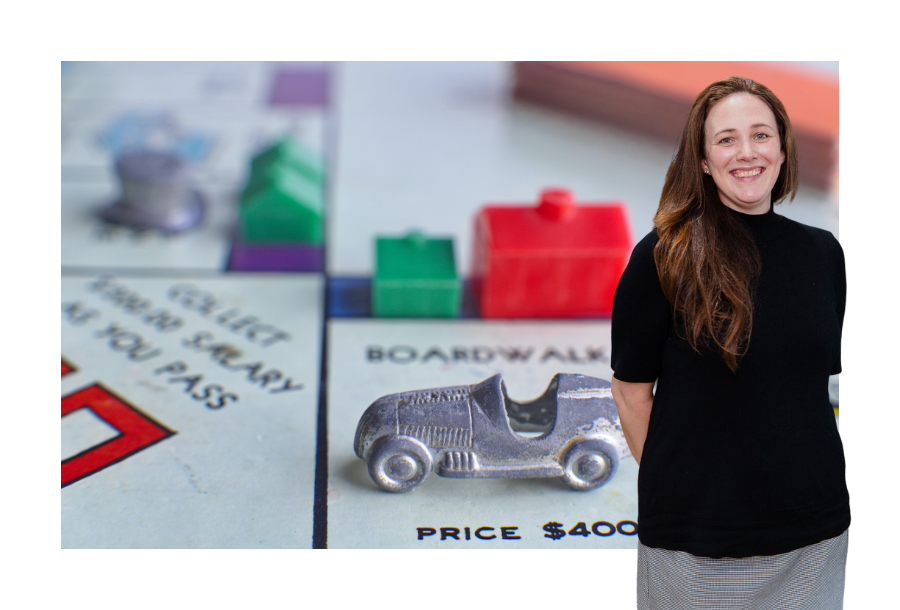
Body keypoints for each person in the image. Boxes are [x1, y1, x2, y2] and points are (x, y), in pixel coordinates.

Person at [610, 76, 849, 609]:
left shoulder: (823, 253)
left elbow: (801, 387)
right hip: (697, 541)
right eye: (726, 139)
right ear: (701, 159)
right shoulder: (662, 256)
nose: (747, 152)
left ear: (783, 150)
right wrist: (683, 493)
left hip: (814, 532)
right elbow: (630, 393)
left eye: (762, 135)